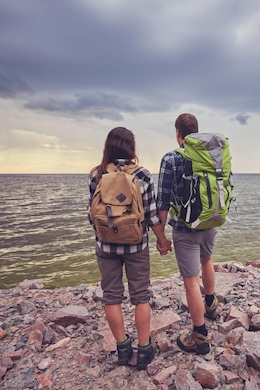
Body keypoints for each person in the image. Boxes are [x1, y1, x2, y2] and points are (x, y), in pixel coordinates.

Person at [88, 127, 171, 370]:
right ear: (132, 148)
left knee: (111, 297)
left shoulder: (97, 174)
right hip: (136, 244)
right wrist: (162, 241)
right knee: (141, 297)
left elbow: (91, 214)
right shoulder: (143, 175)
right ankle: (144, 350)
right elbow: (152, 214)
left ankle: (122, 348)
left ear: (108, 147)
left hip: (106, 245)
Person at [156, 113, 219, 355]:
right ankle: (211, 305)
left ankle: (200, 337)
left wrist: (161, 238)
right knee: (207, 261)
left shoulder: (171, 158)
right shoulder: (210, 155)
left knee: (191, 281)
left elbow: (162, 202)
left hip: (185, 227)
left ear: (177, 133)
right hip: (209, 221)